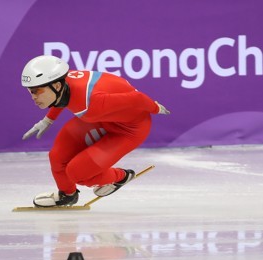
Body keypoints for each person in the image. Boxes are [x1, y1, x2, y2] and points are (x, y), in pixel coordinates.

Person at [21, 55, 170, 207]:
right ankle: (67, 195)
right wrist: (48, 119)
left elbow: (137, 98)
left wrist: (156, 108)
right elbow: (61, 99)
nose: (33, 97)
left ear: (57, 86)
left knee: (77, 173)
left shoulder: (91, 103)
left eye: (36, 91)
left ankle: (121, 176)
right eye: (30, 91)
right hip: (102, 119)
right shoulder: (62, 83)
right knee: (57, 156)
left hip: (128, 131)